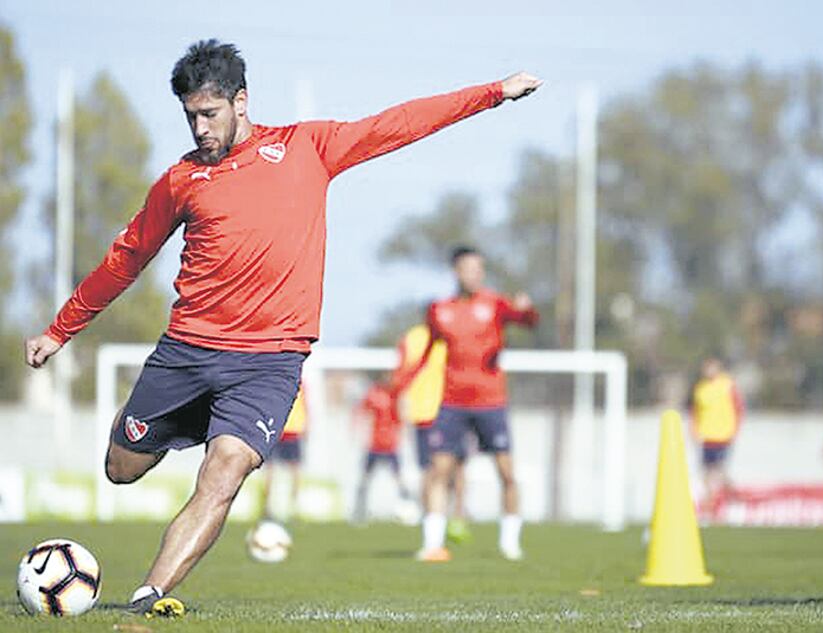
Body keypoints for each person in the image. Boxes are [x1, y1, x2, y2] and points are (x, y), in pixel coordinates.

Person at [23, 39, 541, 616]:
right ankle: (194, 419)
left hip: (269, 362)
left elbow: (400, 124)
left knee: (224, 473)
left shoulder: (307, 148)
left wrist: (493, 93)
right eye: (190, 115)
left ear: (241, 102)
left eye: (209, 114)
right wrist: (59, 330)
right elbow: (127, 258)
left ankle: (148, 597)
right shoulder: (180, 181)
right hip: (188, 351)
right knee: (122, 469)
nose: (199, 128)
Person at [393, 246, 538, 561]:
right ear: (456, 272)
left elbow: (527, 321)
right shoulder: (439, 310)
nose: (475, 274)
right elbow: (430, 350)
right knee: (439, 470)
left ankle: (510, 544)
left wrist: (527, 310)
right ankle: (432, 544)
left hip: (491, 401)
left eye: (479, 269)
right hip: (453, 402)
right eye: (469, 268)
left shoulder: (495, 304)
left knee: (506, 472)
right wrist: (403, 384)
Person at [397, 323, 471, 544]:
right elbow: (403, 371)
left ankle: (451, 517)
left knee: (449, 468)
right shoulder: (416, 338)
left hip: (448, 409)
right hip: (433, 411)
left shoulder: (451, 334)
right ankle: (436, 520)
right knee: (439, 469)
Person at [690, 357, 744, 522]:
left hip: (724, 436)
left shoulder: (727, 385)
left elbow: (739, 408)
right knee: (706, 473)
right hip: (707, 437)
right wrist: (694, 430)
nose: (708, 371)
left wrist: (735, 430)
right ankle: (711, 509)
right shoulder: (700, 389)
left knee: (719, 472)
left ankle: (732, 500)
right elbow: (696, 412)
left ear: (718, 368)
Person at [351, 379, 412, 523]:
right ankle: (360, 512)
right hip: (374, 445)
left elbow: (403, 416)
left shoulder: (396, 395)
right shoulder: (373, 393)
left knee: (399, 479)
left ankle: (409, 508)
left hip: (391, 445)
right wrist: (357, 430)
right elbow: (362, 411)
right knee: (365, 478)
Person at [260, 386, 308, 524]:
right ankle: (268, 508)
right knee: (272, 471)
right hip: (279, 429)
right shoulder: (294, 382)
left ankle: (292, 508)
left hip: (287, 429)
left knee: (290, 472)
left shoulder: (299, 384)